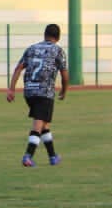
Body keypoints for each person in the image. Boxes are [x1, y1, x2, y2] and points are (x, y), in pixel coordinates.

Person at [7, 24, 68, 168]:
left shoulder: (31, 48)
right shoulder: (58, 51)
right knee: (38, 124)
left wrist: (11, 89)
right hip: (44, 92)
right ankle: (28, 156)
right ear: (58, 37)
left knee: (44, 124)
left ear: (44, 35)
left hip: (29, 92)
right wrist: (64, 91)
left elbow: (18, 68)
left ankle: (53, 157)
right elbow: (65, 75)